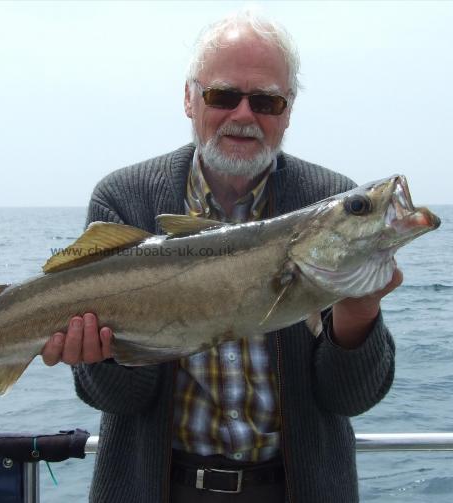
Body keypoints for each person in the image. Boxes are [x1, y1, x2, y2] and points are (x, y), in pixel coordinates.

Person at [42, 8, 399, 503]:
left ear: (288, 111)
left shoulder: (331, 201)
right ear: (189, 98)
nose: (244, 115)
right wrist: (101, 358)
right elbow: (118, 400)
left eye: (267, 101)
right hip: (159, 488)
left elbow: (351, 398)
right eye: (223, 95)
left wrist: (359, 311)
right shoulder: (125, 199)